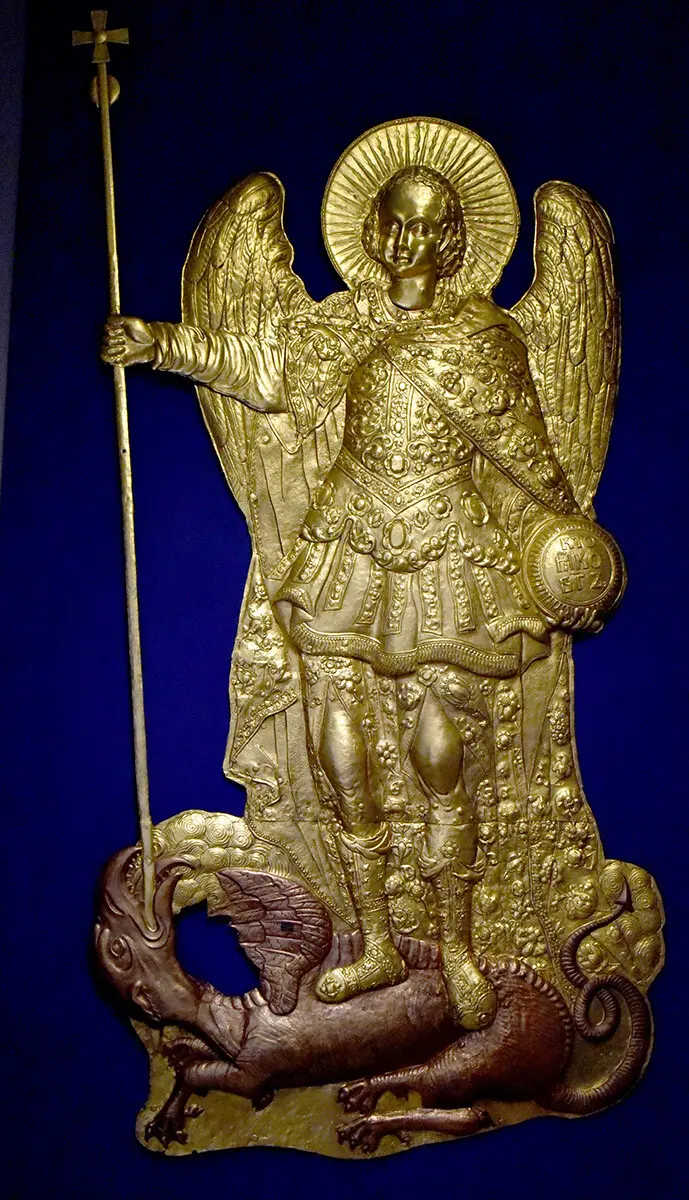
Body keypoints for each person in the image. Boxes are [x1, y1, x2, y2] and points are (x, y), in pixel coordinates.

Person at [103, 162, 576, 1031]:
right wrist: (161, 343)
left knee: (440, 756)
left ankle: (459, 948)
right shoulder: (345, 324)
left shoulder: (486, 338)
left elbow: (526, 452)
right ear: (373, 231)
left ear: (454, 240)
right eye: (395, 222)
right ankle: (376, 942)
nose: (409, 241)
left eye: (428, 226)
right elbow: (267, 372)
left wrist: (573, 546)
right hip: (347, 544)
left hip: (445, 553)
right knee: (337, 753)